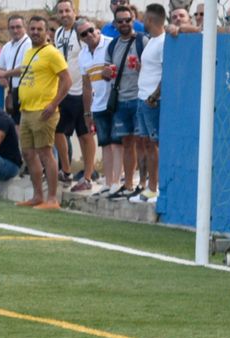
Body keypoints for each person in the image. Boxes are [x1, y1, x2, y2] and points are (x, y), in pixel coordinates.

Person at [13, 16, 70, 211]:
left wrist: (53, 105)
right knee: (28, 153)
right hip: (26, 110)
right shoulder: (29, 52)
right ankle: (37, 196)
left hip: (43, 111)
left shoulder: (52, 53)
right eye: (33, 29)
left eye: (39, 29)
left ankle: (52, 199)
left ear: (46, 32)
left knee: (45, 153)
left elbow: (67, 80)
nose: (36, 32)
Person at [98, 7, 145, 199]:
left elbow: (153, 69)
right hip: (120, 100)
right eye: (120, 21)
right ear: (115, 24)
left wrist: (141, 67)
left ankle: (144, 184)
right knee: (126, 143)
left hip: (139, 98)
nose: (124, 24)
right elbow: (106, 71)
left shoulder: (142, 41)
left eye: (127, 20)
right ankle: (128, 183)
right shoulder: (113, 45)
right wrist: (106, 73)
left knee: (142, 143)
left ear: (133, 20)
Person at [129, 3, 164, 204]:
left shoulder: (163, 42)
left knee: (154, 144)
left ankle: (155, 188)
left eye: (143, 18)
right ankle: (150, 187)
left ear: (150, 20)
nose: (141, 21)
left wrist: (154, 96)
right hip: (142, 98)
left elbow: (166, 73)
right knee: (146, 144)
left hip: (152, 102)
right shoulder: (151, 41)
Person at [52, 7, 89, 187]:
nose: (64, 14)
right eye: (61, 11)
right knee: (58, 132)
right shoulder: (58, 32)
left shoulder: (81, 30)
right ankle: (66, 171)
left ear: (74, 12)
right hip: (63, 91)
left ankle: (87, 176)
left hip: (81, 91)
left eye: (67, 10)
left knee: (84, 135)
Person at [73, 20, 107, 193]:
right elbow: (86, 86)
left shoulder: (110, 44)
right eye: (83, 34)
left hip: (115, 101)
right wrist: (87, 113)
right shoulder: (83, 55)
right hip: (98, 104)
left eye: (90, 30)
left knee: (124, 143)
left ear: (97, 29)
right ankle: (105, 181)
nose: (89, 35)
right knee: (107, 144)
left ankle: (122, 180)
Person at [0, 16, 28, 119]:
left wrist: (5, 74)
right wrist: (0, 76)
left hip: (26, 93)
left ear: (25, 27)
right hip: (13, 93)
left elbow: (26, 69)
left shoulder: (29, 44)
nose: (15, 30)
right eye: (12, 27)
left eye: (18, 27)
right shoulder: (7, 46)